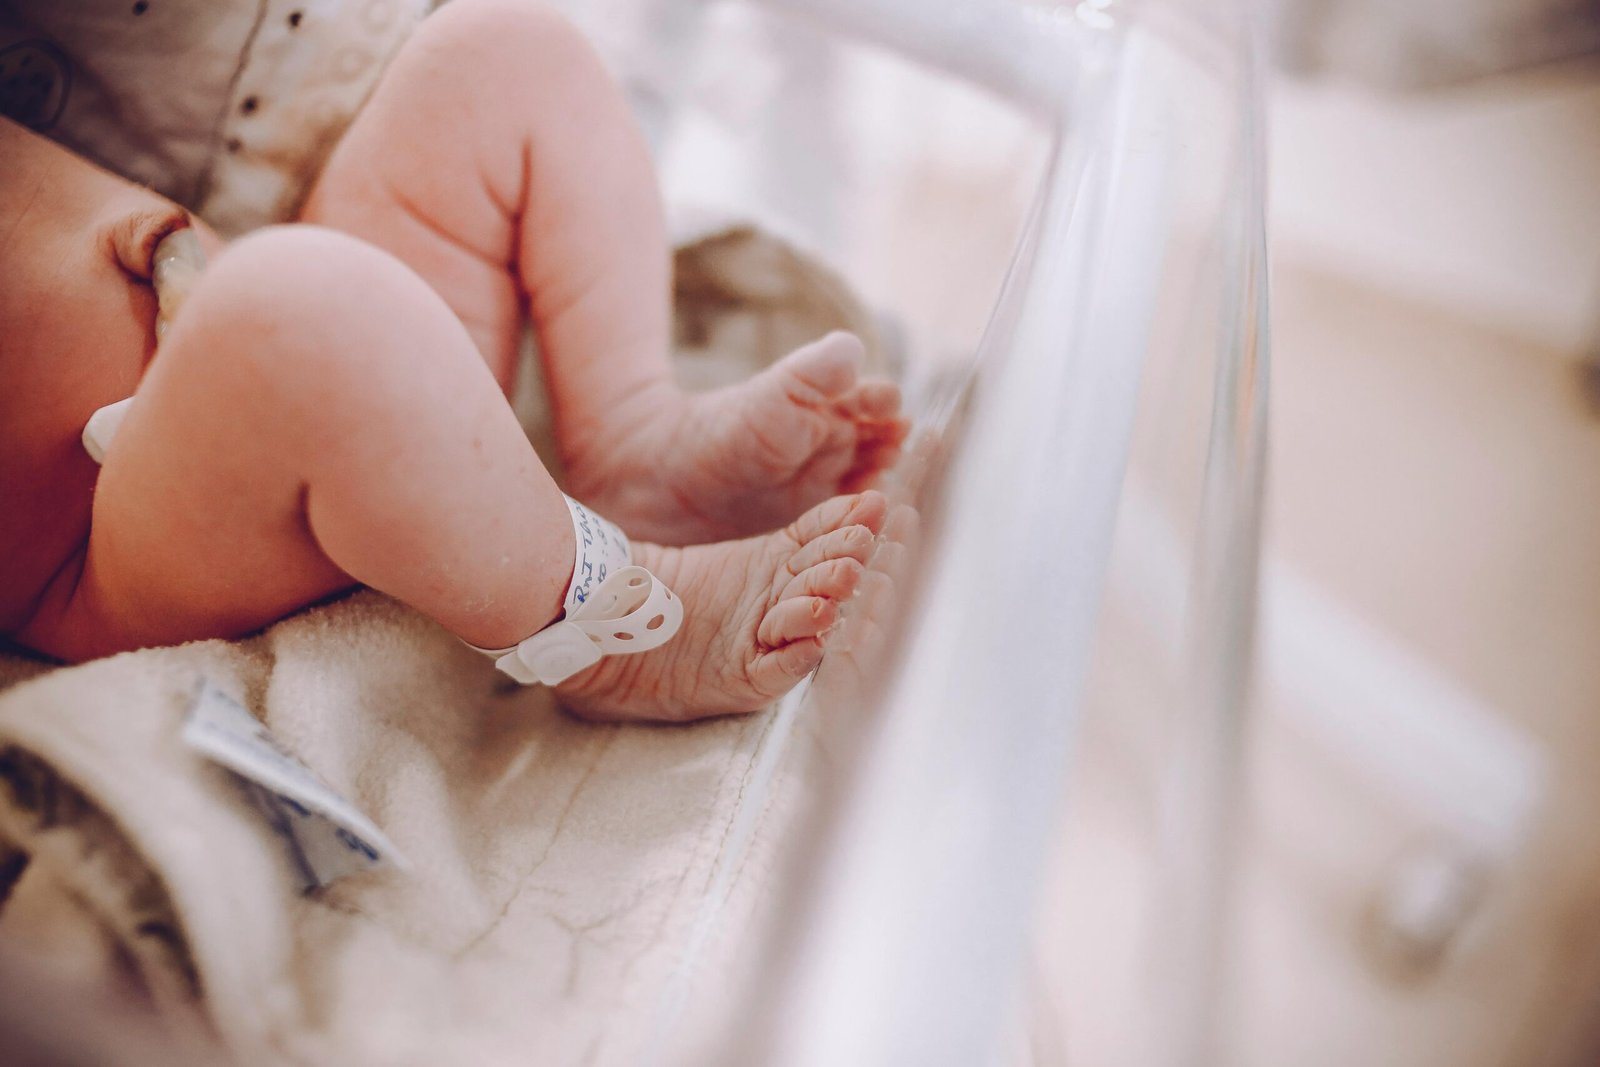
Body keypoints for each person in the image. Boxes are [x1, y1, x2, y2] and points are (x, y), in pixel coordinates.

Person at [0, 0, 908, 722]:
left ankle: (630, 435)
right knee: (298, 313)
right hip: (127, 530)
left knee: (500, 54)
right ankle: (610, 624)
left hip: (288, 317)